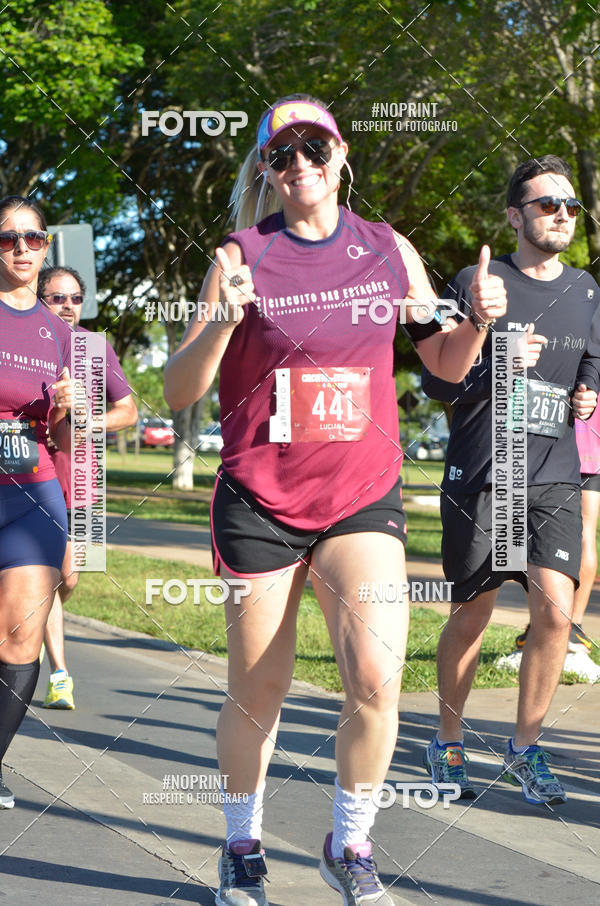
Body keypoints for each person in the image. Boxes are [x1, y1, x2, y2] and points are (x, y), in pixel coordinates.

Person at [164, 94, 507, 906]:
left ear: (341, 153)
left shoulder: (389, 250)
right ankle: (241, 844)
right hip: (260, 496)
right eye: (282, 154)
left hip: (360, 493)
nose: (300, 164)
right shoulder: (239, 255)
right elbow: (181, 388)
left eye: (313, 147)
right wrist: (221, 324)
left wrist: (481, 322)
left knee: (378, 678)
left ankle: (349, 843)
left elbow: (447, 364)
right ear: (265, 169)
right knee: (258, 690)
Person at [421, 155, 600, 806]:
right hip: (487, 470)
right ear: (513, 216)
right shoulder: (478, 280)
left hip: (553, 472)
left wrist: (586, 393)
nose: (561, 215)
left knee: (557, 606)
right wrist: (495, 348)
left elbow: (593, 362)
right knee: (475, 611)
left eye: (571, 207)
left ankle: (526, 746)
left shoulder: (585, 289)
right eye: (547, 204)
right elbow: (437, 380)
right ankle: (447, 739)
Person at [0, 195, 78, 809]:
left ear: (46, 245)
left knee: (21, 637)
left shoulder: (63, 334)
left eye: (31, 237)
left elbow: (67, 437)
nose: (21, 248)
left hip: (33, 492)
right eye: (8, 238)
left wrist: (75, 412)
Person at [38, 265, 137, 709]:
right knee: (53, 573)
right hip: (32, 478)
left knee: (70, 580)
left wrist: (87, 422)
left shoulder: (95, 348)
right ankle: (59, 673)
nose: (68, 306)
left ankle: (33, 624)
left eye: (75, 298)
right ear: (40, 299)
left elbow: (128, 411)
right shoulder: (22, 344)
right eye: (57, 297)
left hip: (82, 478)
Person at [515, 403, 599, 658]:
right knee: (585, 533)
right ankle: (573, 625)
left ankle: (542, 624)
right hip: (589, 449)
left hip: (554, 446)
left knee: (535, 535)